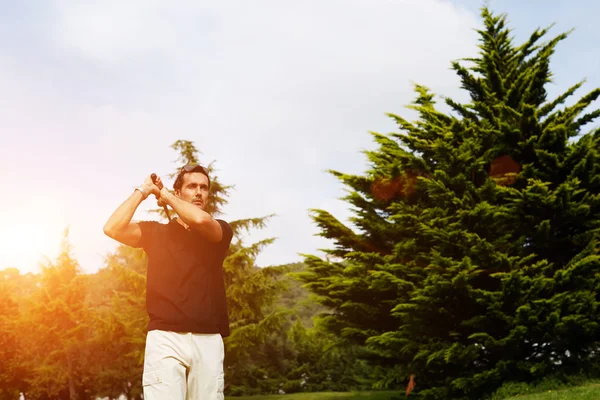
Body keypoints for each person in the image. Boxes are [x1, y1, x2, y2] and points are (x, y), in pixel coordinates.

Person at [103, 164, 233, 400]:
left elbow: (202, 222)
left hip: (208, 340)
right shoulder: (155, 233)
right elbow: (112, 228)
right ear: (180, 191)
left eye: (204, 187)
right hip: (165, 338)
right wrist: (144, 190)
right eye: (192, 186)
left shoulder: (219, 231)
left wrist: (164, 195)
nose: (199, 192)